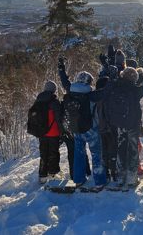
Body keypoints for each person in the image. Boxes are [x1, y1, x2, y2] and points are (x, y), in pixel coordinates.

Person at [58, 58, 107, 189]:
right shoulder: (91, 95)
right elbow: (107, 90)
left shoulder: (71, 91)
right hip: (91, 129)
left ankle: (79, 179)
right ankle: (100, 181)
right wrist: (108, 71)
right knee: (96, 154)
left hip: (76, 129)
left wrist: (61, 69)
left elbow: (64, 82)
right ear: (89, 82)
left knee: (78, 154)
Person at [103, 67, 143, 191]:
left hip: (119, 124)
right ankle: (132, 178)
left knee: (121, 148)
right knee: (133, 150)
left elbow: (106, 96)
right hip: (132, 124)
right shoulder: (135, 89)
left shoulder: (116, 86)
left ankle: (121, 177)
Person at [30, 81, 63, 183]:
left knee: (43, 153)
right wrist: (62, 131)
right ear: (54, 90)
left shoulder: (38, 101)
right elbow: (59, 118)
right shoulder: (54, 102)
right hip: (53, 132)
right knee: (53, 153)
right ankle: (52, 173)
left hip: (42, 132)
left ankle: (42, 175)